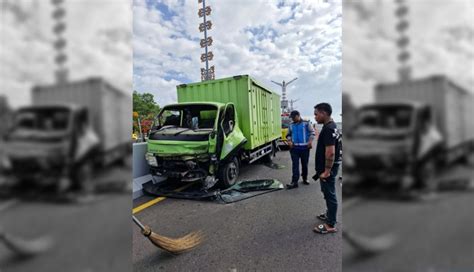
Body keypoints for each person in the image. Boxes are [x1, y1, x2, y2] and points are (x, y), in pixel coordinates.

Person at [312, 103, 341, 234]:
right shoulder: (332, 126)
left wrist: (327, 171)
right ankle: (330, 215)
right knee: (327, 193)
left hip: (327, 169)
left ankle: (331, 224)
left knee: (330, 195)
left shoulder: (329, 129)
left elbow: (331, 153)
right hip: (328, 167)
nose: (315, 117)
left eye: (316, 114)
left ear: (323, 113)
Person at [285, 110, 315, 189]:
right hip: (294, 148)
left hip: (305, 148)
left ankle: (305, 178)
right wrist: (289, 141)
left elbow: (312, 132)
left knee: (304, 164)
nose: (293, 119)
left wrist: (310, 141)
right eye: (292, 118)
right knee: (295, 165)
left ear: (298, 115)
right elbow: (288, 134)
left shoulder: (306, 123)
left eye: (294, 117)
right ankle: (294, 182)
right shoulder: (291, 125)